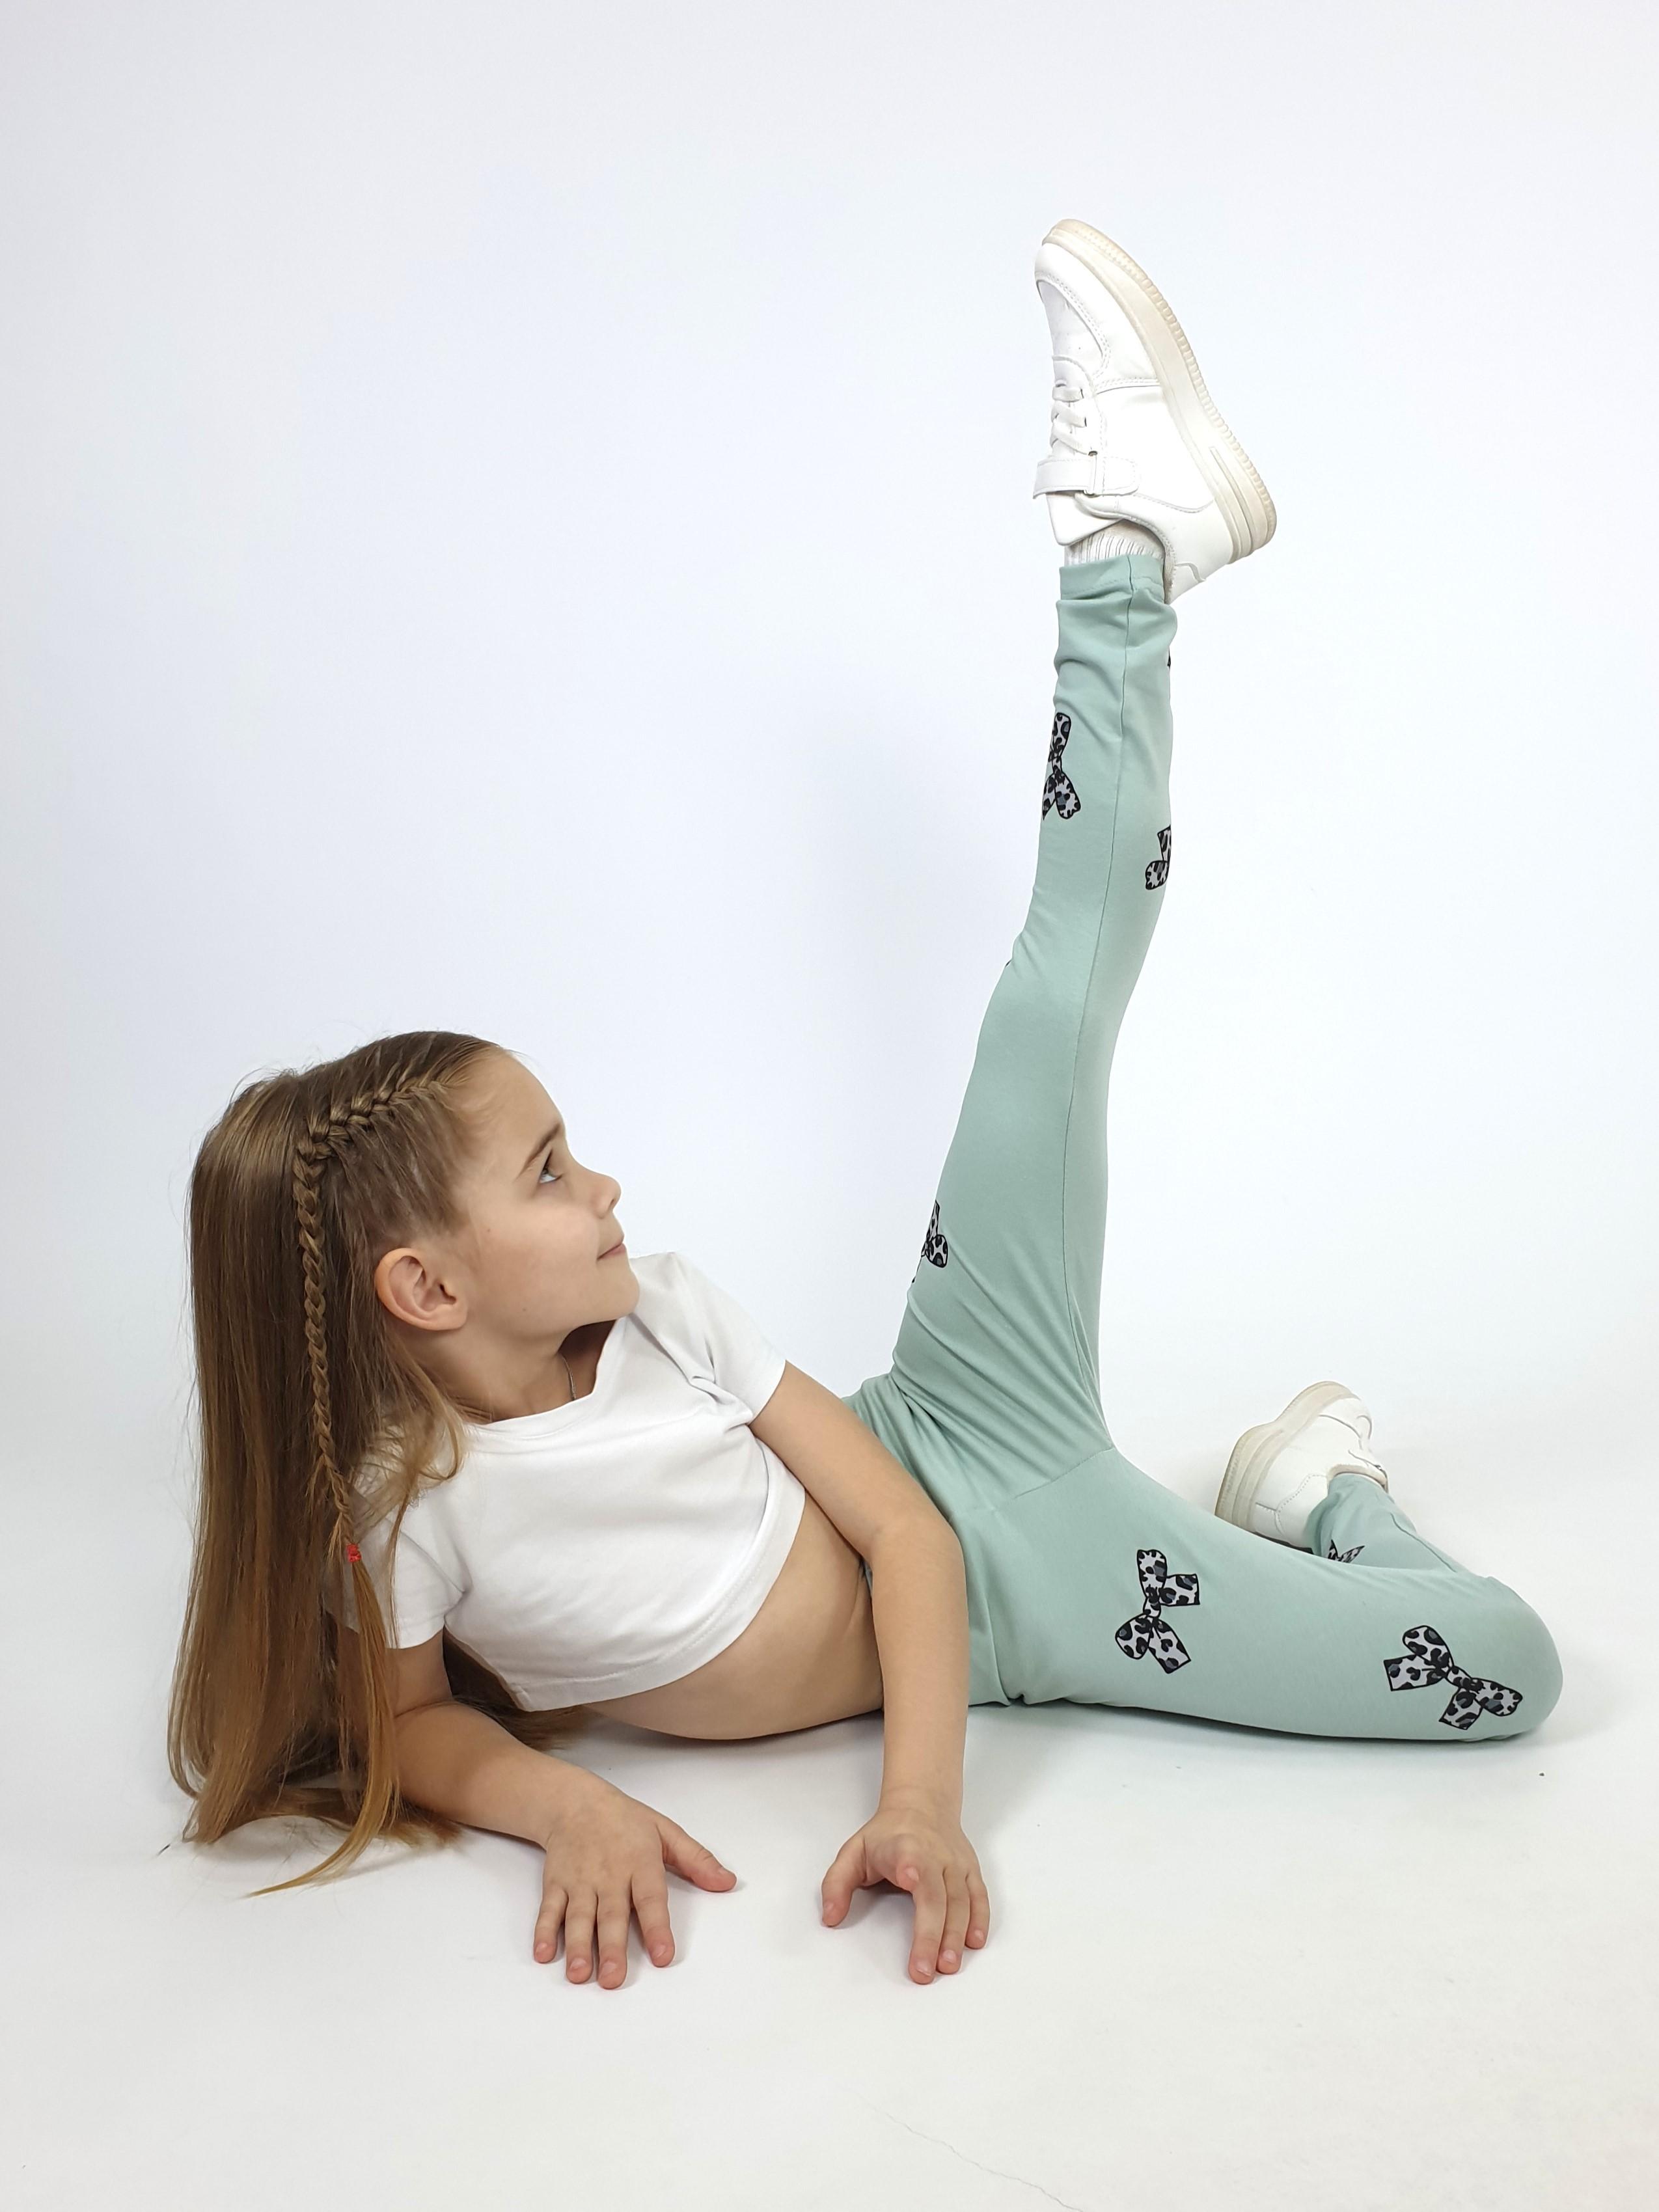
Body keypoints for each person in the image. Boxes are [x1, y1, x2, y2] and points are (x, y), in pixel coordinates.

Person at [167, 217, 1563, 1997]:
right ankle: (1320, 1493)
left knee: (1050, 1001)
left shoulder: (661, 1310)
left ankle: (1122, 548)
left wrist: (920, 1802)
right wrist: (562, 1805)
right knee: (1501, 1666)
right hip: (1046, 1592)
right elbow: (413, 1722)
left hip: (952, 1423)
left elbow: (899, 1519)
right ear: (425, 1287)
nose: (606, 1189)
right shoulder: (406, 1505)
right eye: (548, 1171)